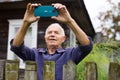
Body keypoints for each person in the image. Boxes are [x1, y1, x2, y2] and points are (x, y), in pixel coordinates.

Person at [10, 3, 93, 80]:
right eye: (49, 32)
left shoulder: (70, 54)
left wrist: (69, 21)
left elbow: (87, 46)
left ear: (63, 38)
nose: (52, 35)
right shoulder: (35, 54)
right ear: (45, 37)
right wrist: (26, 22)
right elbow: (16, 47)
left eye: (56, 33)